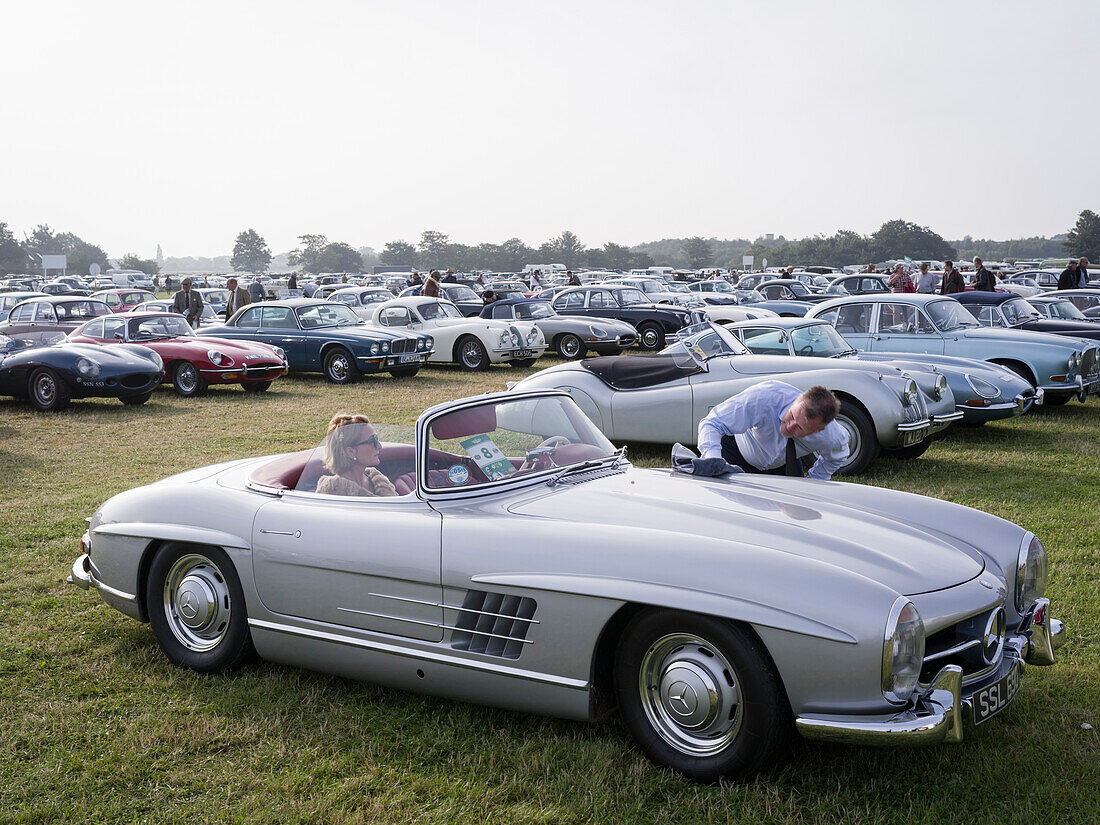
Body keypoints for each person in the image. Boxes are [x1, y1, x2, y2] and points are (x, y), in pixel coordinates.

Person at [696, 381, 849, 480]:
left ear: (818, 430)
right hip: (738, 450)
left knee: (795, 508)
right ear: (798, 399)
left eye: (799, 427)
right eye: (792, 415)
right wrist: (713, 460)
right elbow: (712, 423)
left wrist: (814, 482)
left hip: (785, 462)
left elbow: (836, 458)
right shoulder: (762, 397)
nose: (789, 426)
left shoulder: (833, 436)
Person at [315, 414, 397, 497]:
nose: (379, 446)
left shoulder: (378, 480)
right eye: (371, 441)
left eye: (376, 438)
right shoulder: (331, 494)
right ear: (351, 452)